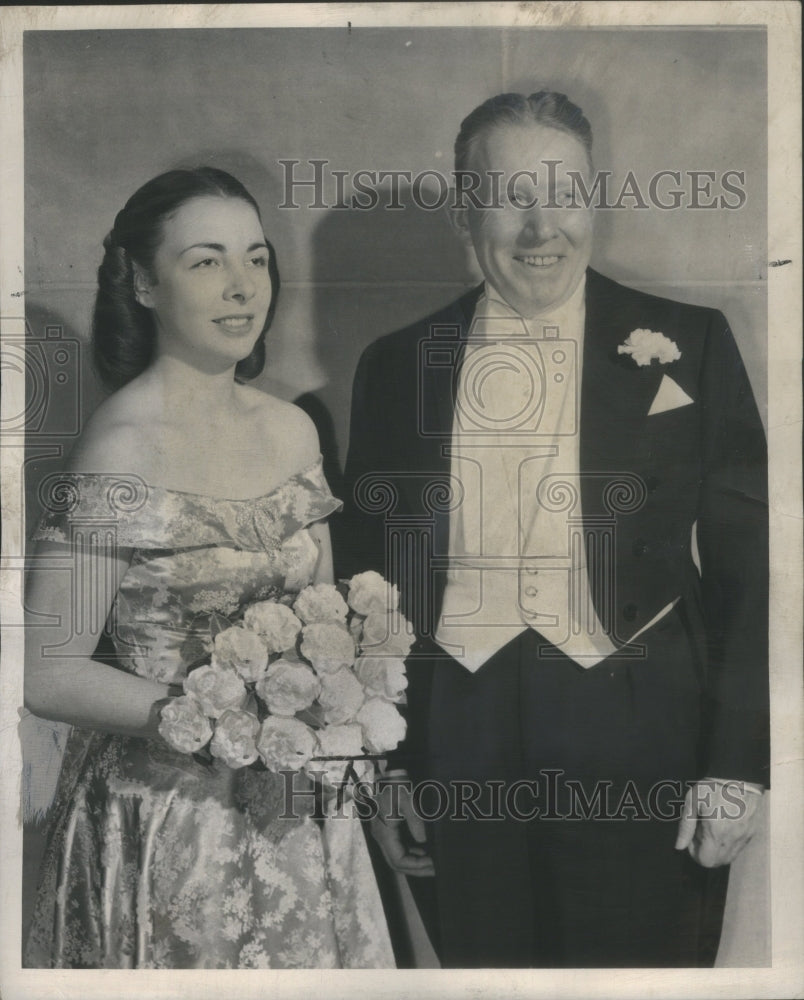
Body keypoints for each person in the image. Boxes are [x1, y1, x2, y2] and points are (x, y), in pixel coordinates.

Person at [338, 92, 768, 967]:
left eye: (564, 191)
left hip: (642, 725)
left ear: (594, 197)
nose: (542, 227)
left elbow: (752, 570)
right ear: (465, 208)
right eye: (509, 195)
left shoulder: (693, 342)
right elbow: (365, 583)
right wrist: (382, 767)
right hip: (457, 738)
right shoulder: (394, 365)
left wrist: (736, 765)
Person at [23, 167, 395, 969]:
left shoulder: (295, 431)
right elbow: (46, 671)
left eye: (256, 259)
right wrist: (215, 718)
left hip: (301, 812)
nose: (241, 288)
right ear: (143, 283)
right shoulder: (120, 446)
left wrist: (347, 747)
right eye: (206, 262)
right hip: (169, 819)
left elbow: (329, 622)